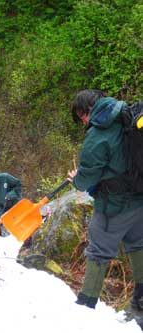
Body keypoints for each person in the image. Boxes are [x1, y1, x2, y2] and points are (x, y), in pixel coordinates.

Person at [67, 89, 143, 311]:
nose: (84, 123)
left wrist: (77, 180)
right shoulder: (128, 114)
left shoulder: (99, 133)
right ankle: (140, 299)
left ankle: (85, 305)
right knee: (138, 243)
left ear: (88, 110)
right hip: (139, 198)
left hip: (113, 205)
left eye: (83, 117)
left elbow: (88, 175)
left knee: (99, 251)